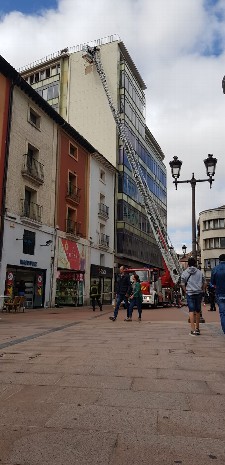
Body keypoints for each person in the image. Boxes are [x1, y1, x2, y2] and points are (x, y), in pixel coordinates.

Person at [181, 256, 206, 336]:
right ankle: (198, 328)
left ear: (188, 264)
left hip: (190, 293)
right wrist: (202, 289)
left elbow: (182, 284)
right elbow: (205, 282)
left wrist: (186, 291)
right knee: (198, 310)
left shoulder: (185, 272)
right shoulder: (200, 272)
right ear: (195, 264)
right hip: (198, 293)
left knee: (191, 311)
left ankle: (192, 329)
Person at [210, 254, 225, 333]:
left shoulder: (215, 269)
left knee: (223, 313)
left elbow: (212, 283)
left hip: (220, 293)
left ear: (219, 260)